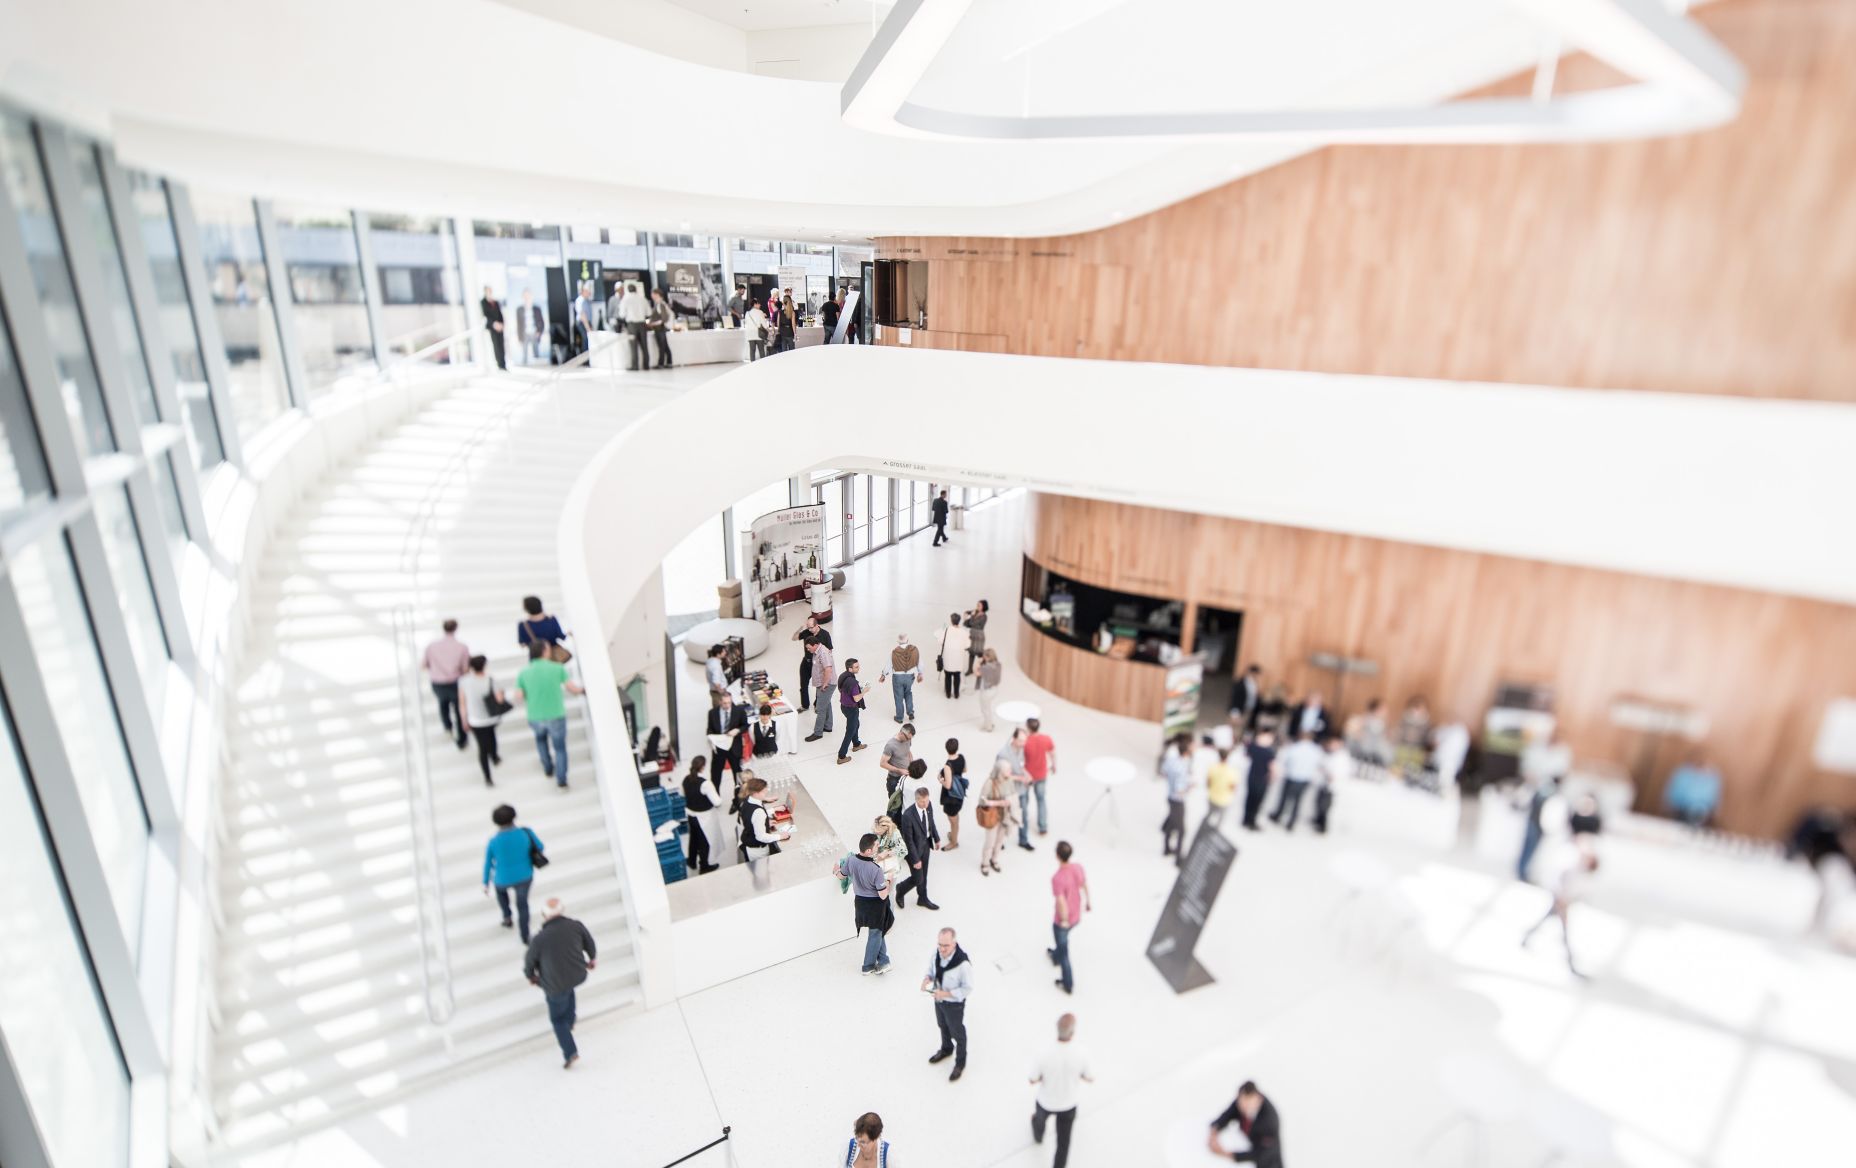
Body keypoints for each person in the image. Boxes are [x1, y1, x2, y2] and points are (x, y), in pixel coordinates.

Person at [524, 898, 596, 1069]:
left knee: (557, 1019)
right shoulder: (575, 926)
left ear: (544, 915)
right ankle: (570, 1020)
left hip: (554, 984)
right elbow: (590, 943)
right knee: (568, 989)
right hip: (576, 974)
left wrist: (530, 976)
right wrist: (592, 958)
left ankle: (570, 1051)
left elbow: (529, 962)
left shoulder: (539, 939)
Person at [1522, 838, 1600, 976]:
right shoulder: (1570, 865)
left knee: (1547, 920)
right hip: (1559, 900)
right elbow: (1557, 880)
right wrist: (1560, 899)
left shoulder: (1583, 873)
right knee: (1563, 930)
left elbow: (1578, 890)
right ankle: (1569, 961)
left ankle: (1527, 936)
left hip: (1564, 901)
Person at [1028, 1013, 1093, 1168]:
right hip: (1068, 1104)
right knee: (1063, 1144)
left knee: (1039, 1120)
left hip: (1046, 1101)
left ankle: (1038, 1136)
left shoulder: (1044, 1053)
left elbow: (1032, 1079)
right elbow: (1089, 1077)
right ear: (1072, 1032)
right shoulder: (1081, 1053)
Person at [515, 639, 583, 787]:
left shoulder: (523, 673)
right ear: (544, 651)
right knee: (560, 748)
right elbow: (573, 689)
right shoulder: (557, 668)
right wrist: (583, 690)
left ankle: (547, 768)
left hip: (535, 716)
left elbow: (518, 696)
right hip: (556, 714)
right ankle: (561, 781)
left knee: (541, 741)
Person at [483, 804, 542, 942]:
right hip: (524, 875)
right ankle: (525, 936)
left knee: (501, 893)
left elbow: (488, 863)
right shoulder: (525, 833)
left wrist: (485, 882)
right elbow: (540, 847)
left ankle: (507, 916)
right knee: (523, 906)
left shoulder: (493, 841)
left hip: (502, 879)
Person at [922, 927, 972, 1080]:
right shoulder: (936, 954)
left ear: (954, 944)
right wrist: (927, 979)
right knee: (942, 1025)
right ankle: (946, 1049)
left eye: (946, 946)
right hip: (938, 1000)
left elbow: (967, 988)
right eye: (940, 945)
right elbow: (931, 970)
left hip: (954, 1005)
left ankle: (960, 1063)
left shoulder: (963, 965)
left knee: (958, 1033)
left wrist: (945, 994)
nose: (942, 949)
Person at [841, 833, 894, 974]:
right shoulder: (876, 870)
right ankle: (868, 966)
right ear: (869, 850)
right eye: (876, 845)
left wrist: (836, 870)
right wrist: (889, 880)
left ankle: (884, 962)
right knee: (876, 933)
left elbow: (842, 875)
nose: (878, 847)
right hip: (875, 906)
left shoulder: (851, 859)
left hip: (860, 903)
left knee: (878, 931)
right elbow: (883, 895)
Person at [420, 618, 471, 750]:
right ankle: (462, 739)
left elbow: (424, 665)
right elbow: (465, 669)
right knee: (459, 710)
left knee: (443, 704)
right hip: (455, 682)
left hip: (438, 683)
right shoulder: (462, 647)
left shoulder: (431, 646)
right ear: (456, 629)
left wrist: (437, 669)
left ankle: (448, 727)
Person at [1207, 1081, 1284, 1167]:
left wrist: (1227, 1154)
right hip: (1251, 1148)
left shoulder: (1269, 1120)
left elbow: (1261, 1153)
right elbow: (1227, 1115)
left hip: (1270, 1160)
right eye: (1242, 1103)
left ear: (1258, 1100)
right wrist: (1214, 1133)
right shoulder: (1241, 1103)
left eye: (1248, 1104)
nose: (1244, 1108)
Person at [1048, 840, 1089, 994]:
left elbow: (1061, 902)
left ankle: (1067, 983)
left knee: (1064, 949)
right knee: (1062, 942)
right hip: (1076, 914)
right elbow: (1084, 885)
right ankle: (1055, 955)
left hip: (1063, 920)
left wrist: (1064, 920)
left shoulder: (1057, 878)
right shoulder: (1078, 867)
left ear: (1057, 856)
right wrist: (1088, 901)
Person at [458, 654, 506, 785]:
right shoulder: (490, 680)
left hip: (475, 720)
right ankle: (494, 756)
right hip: (491, 718)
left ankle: (487, 777)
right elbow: (499, 700)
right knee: (492, 736)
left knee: (482, 748)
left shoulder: (464, 681)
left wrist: (464, 720)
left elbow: (462, 703)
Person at [737, 775, 792, 889]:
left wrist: (767, 820)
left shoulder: (747, 800)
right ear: (756, 793)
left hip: (747, 842)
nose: (766, 792)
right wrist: (780, 836)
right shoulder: (758, 812)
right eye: (764, 791)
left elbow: (752, 817)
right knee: (761, 875)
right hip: (757, 850)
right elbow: (761, 837)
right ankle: (764, 889)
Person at [896, 784, 942, 910]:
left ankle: (922, 898)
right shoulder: (908, 816)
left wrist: (936, 838)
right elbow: (908, 841)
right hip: (913, 850)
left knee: (924, 875)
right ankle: (900, 889)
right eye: (922, 801)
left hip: (925, 845)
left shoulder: (929, 805)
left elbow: (931, 822)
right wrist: (915, 860)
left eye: (927, 800)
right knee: (918, 878)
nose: (926, 803)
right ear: (916, 799)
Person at [1270, 730, 1324, 832]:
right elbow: (1319, 764)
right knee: (1298, 801)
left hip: (1292, 776)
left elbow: (1284, 759)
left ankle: (1278, 816)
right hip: (1305, 779)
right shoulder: (1316, 750)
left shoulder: (1294, 747)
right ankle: (1291, 821)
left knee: (1284, 798)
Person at [1516, 771, 1563, 883]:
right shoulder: (1549, 793)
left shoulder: (1544, 791)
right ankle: (1521, 872)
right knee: (1528, 849)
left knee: (1527, 849)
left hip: (1533, 823)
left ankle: (1522, 871)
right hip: (1536, 825)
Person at [976, 759, 1020, 875]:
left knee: (999, 841)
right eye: (1008, 770)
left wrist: (1010, 801)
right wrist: (999, 803)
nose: (1010, 771)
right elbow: (981, 801)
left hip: (1005, 816)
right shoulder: (989, 782)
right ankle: (985, 863)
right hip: (992, 817)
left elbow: (1014, 796)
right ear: (1000, 771)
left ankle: (994, 860)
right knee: (990, 842)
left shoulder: (1009, 781)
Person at [998, 728, 1036, 852]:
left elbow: (1021, 765)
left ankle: (1023, 840)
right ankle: (999, 840)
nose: (1023, 743)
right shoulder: (1003, 754)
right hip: (1008, 791)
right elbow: (1001, 775)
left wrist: (1027, 775)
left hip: (1022, 790)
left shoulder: (1022, 750)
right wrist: (1021, 778)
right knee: (1005, 816)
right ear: (1013, 739)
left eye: (1024, 741)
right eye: (1020, 741)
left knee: (1024, 815)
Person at [682, 757, 721, 873]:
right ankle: (704, 866)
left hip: (691, 815)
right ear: (703, 767)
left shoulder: (686, 779)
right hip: (704, 817)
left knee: (693, 838)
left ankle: (691, 861)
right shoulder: (705, 784)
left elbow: (682, 794)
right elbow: (717, 802)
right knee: (704, 841)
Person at [1023, 717, 1057, 838]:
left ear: (1028, 728)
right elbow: (1052, 753)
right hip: (1042, 774)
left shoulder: (1025, 741)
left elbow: (1020, 759)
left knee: (1024, 800)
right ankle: (1043, 827)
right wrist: (1054, 766)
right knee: (1041, 800)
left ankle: (1022, 822)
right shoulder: (1046, 739)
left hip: (1027, 777)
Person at [1161, 733, 1193, 860]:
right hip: (1177, 800)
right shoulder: (1182, 768)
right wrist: (1189, 787)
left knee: (1171, 824)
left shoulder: (1171, 761)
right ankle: (1179, 856)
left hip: (1169, 795)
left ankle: (1166, 849)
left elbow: (1164, 772)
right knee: (1181, 830)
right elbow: (1180, 791)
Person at [707, 689, 747, 788]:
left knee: (738, 774)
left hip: (734, 747)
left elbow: (745, 725)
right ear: (720, 702)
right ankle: (715, 794)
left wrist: (737, 730)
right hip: (719, 747)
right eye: (725, 703)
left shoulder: (739, 711)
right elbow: (710, 729)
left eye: (729, 702)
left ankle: (739, 795)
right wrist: (710, 737)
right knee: (715, 774)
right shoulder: (712, 713)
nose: (727, 705)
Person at [1241, 729, 1279, 831]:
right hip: (1262, 779)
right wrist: (1273, 778)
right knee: (1257, 802)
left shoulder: (1253, 746)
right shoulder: (1269, 751)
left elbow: (1246, 754)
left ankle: (1245, 820)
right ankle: (1251, 822)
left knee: (1249, 799)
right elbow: (1272, 767)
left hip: (1251, 776)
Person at [793, 614, 832, 713]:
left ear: (817, 625)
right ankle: (805, 705)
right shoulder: (806, 632)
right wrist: (800, 629)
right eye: (808, 627)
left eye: (811, 627)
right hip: (806, 662)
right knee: (803, 685)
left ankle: (817, 705)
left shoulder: (825, 634)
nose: (809, 629)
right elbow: (794, 638)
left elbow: (829, 650)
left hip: (818, 665)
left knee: (819, 686)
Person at [836, 657, 871, 765]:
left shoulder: (843, 676)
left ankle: (856, 744)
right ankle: (841, 756)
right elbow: (856, 699)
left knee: (856, 724)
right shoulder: (853, 682)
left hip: (843, 706)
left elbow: (843, 689)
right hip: (851, 709)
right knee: (850, 731)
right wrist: (864, 691)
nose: (858, 668)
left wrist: (857, 690)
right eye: (856, 667)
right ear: (850, 669)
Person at [1314, 735, 1350, 833]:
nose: (1332, 746)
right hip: (1323, 783)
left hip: (1332, 786)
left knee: (1325, 806)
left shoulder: (1342, 757)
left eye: (1334, 744)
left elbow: (1343, 771)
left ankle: (1322, 826)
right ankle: (1318, 821)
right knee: (1318, 803)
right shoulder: (1328, 754)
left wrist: (1334, 776)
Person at [938, 738, 968, 852]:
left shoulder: (948, 765)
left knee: (953, 820)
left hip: (951, 798)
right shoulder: (961, 757)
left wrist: (941, 780)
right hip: (960, 792)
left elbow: (948, 785)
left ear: (946, 749)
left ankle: (954, 842)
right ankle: (953, 834)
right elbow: (965, 770)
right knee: (955, 818)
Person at [885, 632, 923, 722]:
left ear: (898, 642)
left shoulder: (894, 652)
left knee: (898, 697)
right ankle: (910, 712)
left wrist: (883, 674)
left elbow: (888, 665)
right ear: (907, 640)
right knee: (908, 693)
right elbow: (919, 662)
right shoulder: (914, 650)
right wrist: (920, 673)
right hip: (910, 676)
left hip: (897, 677)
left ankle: (899, 717)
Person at [1344, 697, 1392, 767]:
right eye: (1383, 710)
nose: (1385, 713)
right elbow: (1349, 743)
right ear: (1377, 710)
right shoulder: (1357, 722)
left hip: (1374, 762)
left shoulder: (1382, 728)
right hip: (1355, 760)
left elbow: (1386, 752)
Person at [806, 638, 837, 741]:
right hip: (822, 683)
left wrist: (825, 684)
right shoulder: (817, 651)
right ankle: (828, 726)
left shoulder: (823, 653)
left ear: (814, 645)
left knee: (820, 708)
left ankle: (818, 732)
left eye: (809, 648)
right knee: (826, 704)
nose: (808, 650)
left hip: (827, 684)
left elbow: (828, 669)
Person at [873, 814, 908, 901]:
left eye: (879, 831)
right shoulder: (877, 831)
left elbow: (904, 849)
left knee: (889, 893)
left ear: (886, 827)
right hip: (879, 866)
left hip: (891, 867)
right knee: (879, 891)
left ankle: (889, 909)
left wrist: (888, 852)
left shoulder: (895, 834)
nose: (877, 833)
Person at [617, 280, 650, 370]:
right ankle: (646, 365)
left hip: (632, 325)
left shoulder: (625, 299)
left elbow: (622, 314)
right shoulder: (643, 299)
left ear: (627, 290)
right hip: (642, 324)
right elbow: (649, 313)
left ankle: (635, 366)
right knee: (644, 345)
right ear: (636, 289)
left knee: (633, 346)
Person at [937, 613, 970, 699]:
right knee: (957, 676)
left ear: (951, 621)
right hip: (958, 658)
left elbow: (940, 641)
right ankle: (956, 694)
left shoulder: (946, 630)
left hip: (948, 657)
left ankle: (948, 694)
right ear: (959, 621)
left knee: (947, 676)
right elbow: (967, 645)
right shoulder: (964, 632)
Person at [1206, 746, 1240, 825]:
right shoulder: (1232, 771)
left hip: (1212, 797)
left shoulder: (1212, 767)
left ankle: (1204, 828)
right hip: (1225, 800)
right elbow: (1233, 787)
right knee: (1221, 818)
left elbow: (1208, 783)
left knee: (1209, 814)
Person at [880, 723, 915, 799]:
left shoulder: (908, 739)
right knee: (894, 800)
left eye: (910, 738)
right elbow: (882, 763)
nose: (909, 740)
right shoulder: (890, 745)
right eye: (908, 738)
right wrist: (899, 770)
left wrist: (912, 763)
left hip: (906, 775)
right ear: (902, 733)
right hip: (894, 779)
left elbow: (908, 751)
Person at [974, 647, 1003, 732]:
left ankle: (988, 726)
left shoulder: (986, 668)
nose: (983, 658)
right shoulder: (998, 664)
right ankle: (989, 723)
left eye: (984, 657)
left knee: (984, 710)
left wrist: (977, 662)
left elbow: (976, 673)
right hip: (994, 690)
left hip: (986, 692)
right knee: (988, 708)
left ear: (988, 657)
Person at [480, 285, 507, 370]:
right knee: (496, 346)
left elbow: (500, 314)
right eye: (488, 291)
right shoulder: (483, 302)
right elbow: (485, 315)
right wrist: (494, 324)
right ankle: (499, 364)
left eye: (490, 291)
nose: (490, 292)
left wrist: (502, 324)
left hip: (500, 327)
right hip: (492, 327)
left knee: (502, 345)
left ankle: (503, 364)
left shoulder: (495, 302)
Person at [648, 286, 674, 368]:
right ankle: (669, 362)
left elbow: (664, 318)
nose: (651, 296)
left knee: (662, 346)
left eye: (652, 294)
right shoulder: (660, 304)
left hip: (660, 328)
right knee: (665, 346)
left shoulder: (660, 304)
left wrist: (653, 324)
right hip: (660, 328)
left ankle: (661, 364)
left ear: (657, 294)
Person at [516, 288, 544, 364]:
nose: (527, 298)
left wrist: (539, 332)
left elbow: (541, 322)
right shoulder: (519, 309)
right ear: (523, 297)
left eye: (528, 296)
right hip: (524, 333)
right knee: (524, 354)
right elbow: (519, 324)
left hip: (534, 332)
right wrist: (519, 337)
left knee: (536, 353)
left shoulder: (537, 309)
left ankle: (538, 367)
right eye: (525, 296)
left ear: (531, 296)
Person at [1231, 663, 1263, 728]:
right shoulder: (1241, 683)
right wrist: (1235, 712)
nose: (1255, 676)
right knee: (1236, 728)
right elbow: (1235, 698)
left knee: (1244, 726)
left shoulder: (1254, 683)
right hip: (1240, 709)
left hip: (1249, 708)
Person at [962, 600, 988, 674]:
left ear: (983, 607)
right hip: (972, 635)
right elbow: (966, 624)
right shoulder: (975, 613)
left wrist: (971, 616)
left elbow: (973, 624)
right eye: (977, 605)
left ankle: (984, 669)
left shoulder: (984, 616)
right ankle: (970, 670)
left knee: (979, 653)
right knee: (971, 652)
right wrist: (965, 617)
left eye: (979, 605)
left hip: (979, 636)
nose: (977, 606)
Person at [572, 280, 596, 356]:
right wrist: (588, 328)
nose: (589, 294)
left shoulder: (586, 300)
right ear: (584, 291)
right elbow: (583, 315)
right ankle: (585, 359)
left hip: (586, 323)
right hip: (582, 323)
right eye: (588, 292)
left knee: (588, 340)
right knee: (586, 340)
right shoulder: (580, 300)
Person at [705, 642, 730, 707]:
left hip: (713, 690)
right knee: (720, 708)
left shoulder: (710, 660)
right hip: (718, 693)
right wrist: (723, 693)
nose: (725, 653)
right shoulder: (716, 666)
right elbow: (716, 682)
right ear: (718, 654)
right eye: (723, 651)